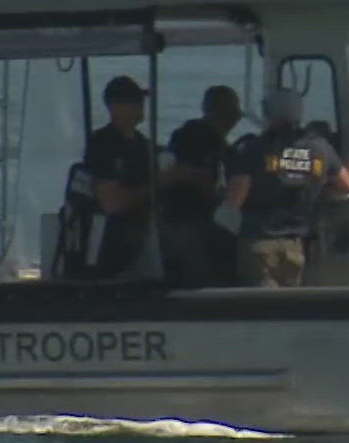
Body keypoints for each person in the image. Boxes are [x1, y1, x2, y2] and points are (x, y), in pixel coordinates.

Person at [223, 87, 349, 287]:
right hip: (295, 247)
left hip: (259, 243)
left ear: (269, 114)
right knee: (287, 306)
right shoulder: (320, 148)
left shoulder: (254, 150)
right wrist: (314, 188)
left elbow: (234, 202)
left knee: (260, 310)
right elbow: (346, 186)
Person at [159, 84, 243, 287]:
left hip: (180, 223)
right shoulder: (203, 139)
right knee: (204, 282)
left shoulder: (183, 136)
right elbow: (206, 183)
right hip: (189, 224)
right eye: (231, 112)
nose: (236, 118)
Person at [82, 74, 161, 278]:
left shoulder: (144, 144)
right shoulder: (103, 144)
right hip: (113, 242)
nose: (140, 106)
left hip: (145, 234)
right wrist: (158, 187)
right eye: (133, 101)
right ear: (115, 107)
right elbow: (112, 204)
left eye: (140, 100)